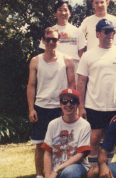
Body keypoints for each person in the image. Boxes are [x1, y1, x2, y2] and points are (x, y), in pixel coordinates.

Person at [77, 18, 116, 167]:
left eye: (112, 31)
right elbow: (81, 82)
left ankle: (108, 167)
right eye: (106, 31)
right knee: (94, 139)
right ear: (98, 33)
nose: (110, 34)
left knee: (113, 139)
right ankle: (93, 170)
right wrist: (81, 106)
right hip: (94, 105)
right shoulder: (88, 55)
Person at [27, 27, 75, 178]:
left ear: (59, 41)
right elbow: (31, 86)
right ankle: (40, 175)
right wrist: (31, 109)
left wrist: (69, 106)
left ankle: (60, 172)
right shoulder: (36, 60)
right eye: (48, 39)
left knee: (63, 144)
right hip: (41, 107)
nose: (51, 42)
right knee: (40, 145)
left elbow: (72, 85)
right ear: (43, 41)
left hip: (61, 108)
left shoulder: (67, 60)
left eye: (54, 39)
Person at [42, 88, 92, 178]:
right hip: (56, 170)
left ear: (78, 104)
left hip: (77, 168)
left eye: (73, 101)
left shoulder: (84, 125)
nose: (68, 104)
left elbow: (80, 155)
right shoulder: (53, 124)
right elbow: (47, 153)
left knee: (70, 172)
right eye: (64, 101)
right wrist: (48, 176)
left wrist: (57, 170)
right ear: (60, 104)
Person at [38, 0, 86, 84]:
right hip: (54, 66)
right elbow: (45, 52)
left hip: (74, 67)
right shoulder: (49, 32)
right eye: (60, 10)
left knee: (72, 93)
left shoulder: (78, 31)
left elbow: (81, 55)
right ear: (55, 13)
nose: (63, 13)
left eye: (65, 10)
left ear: (70, 13)